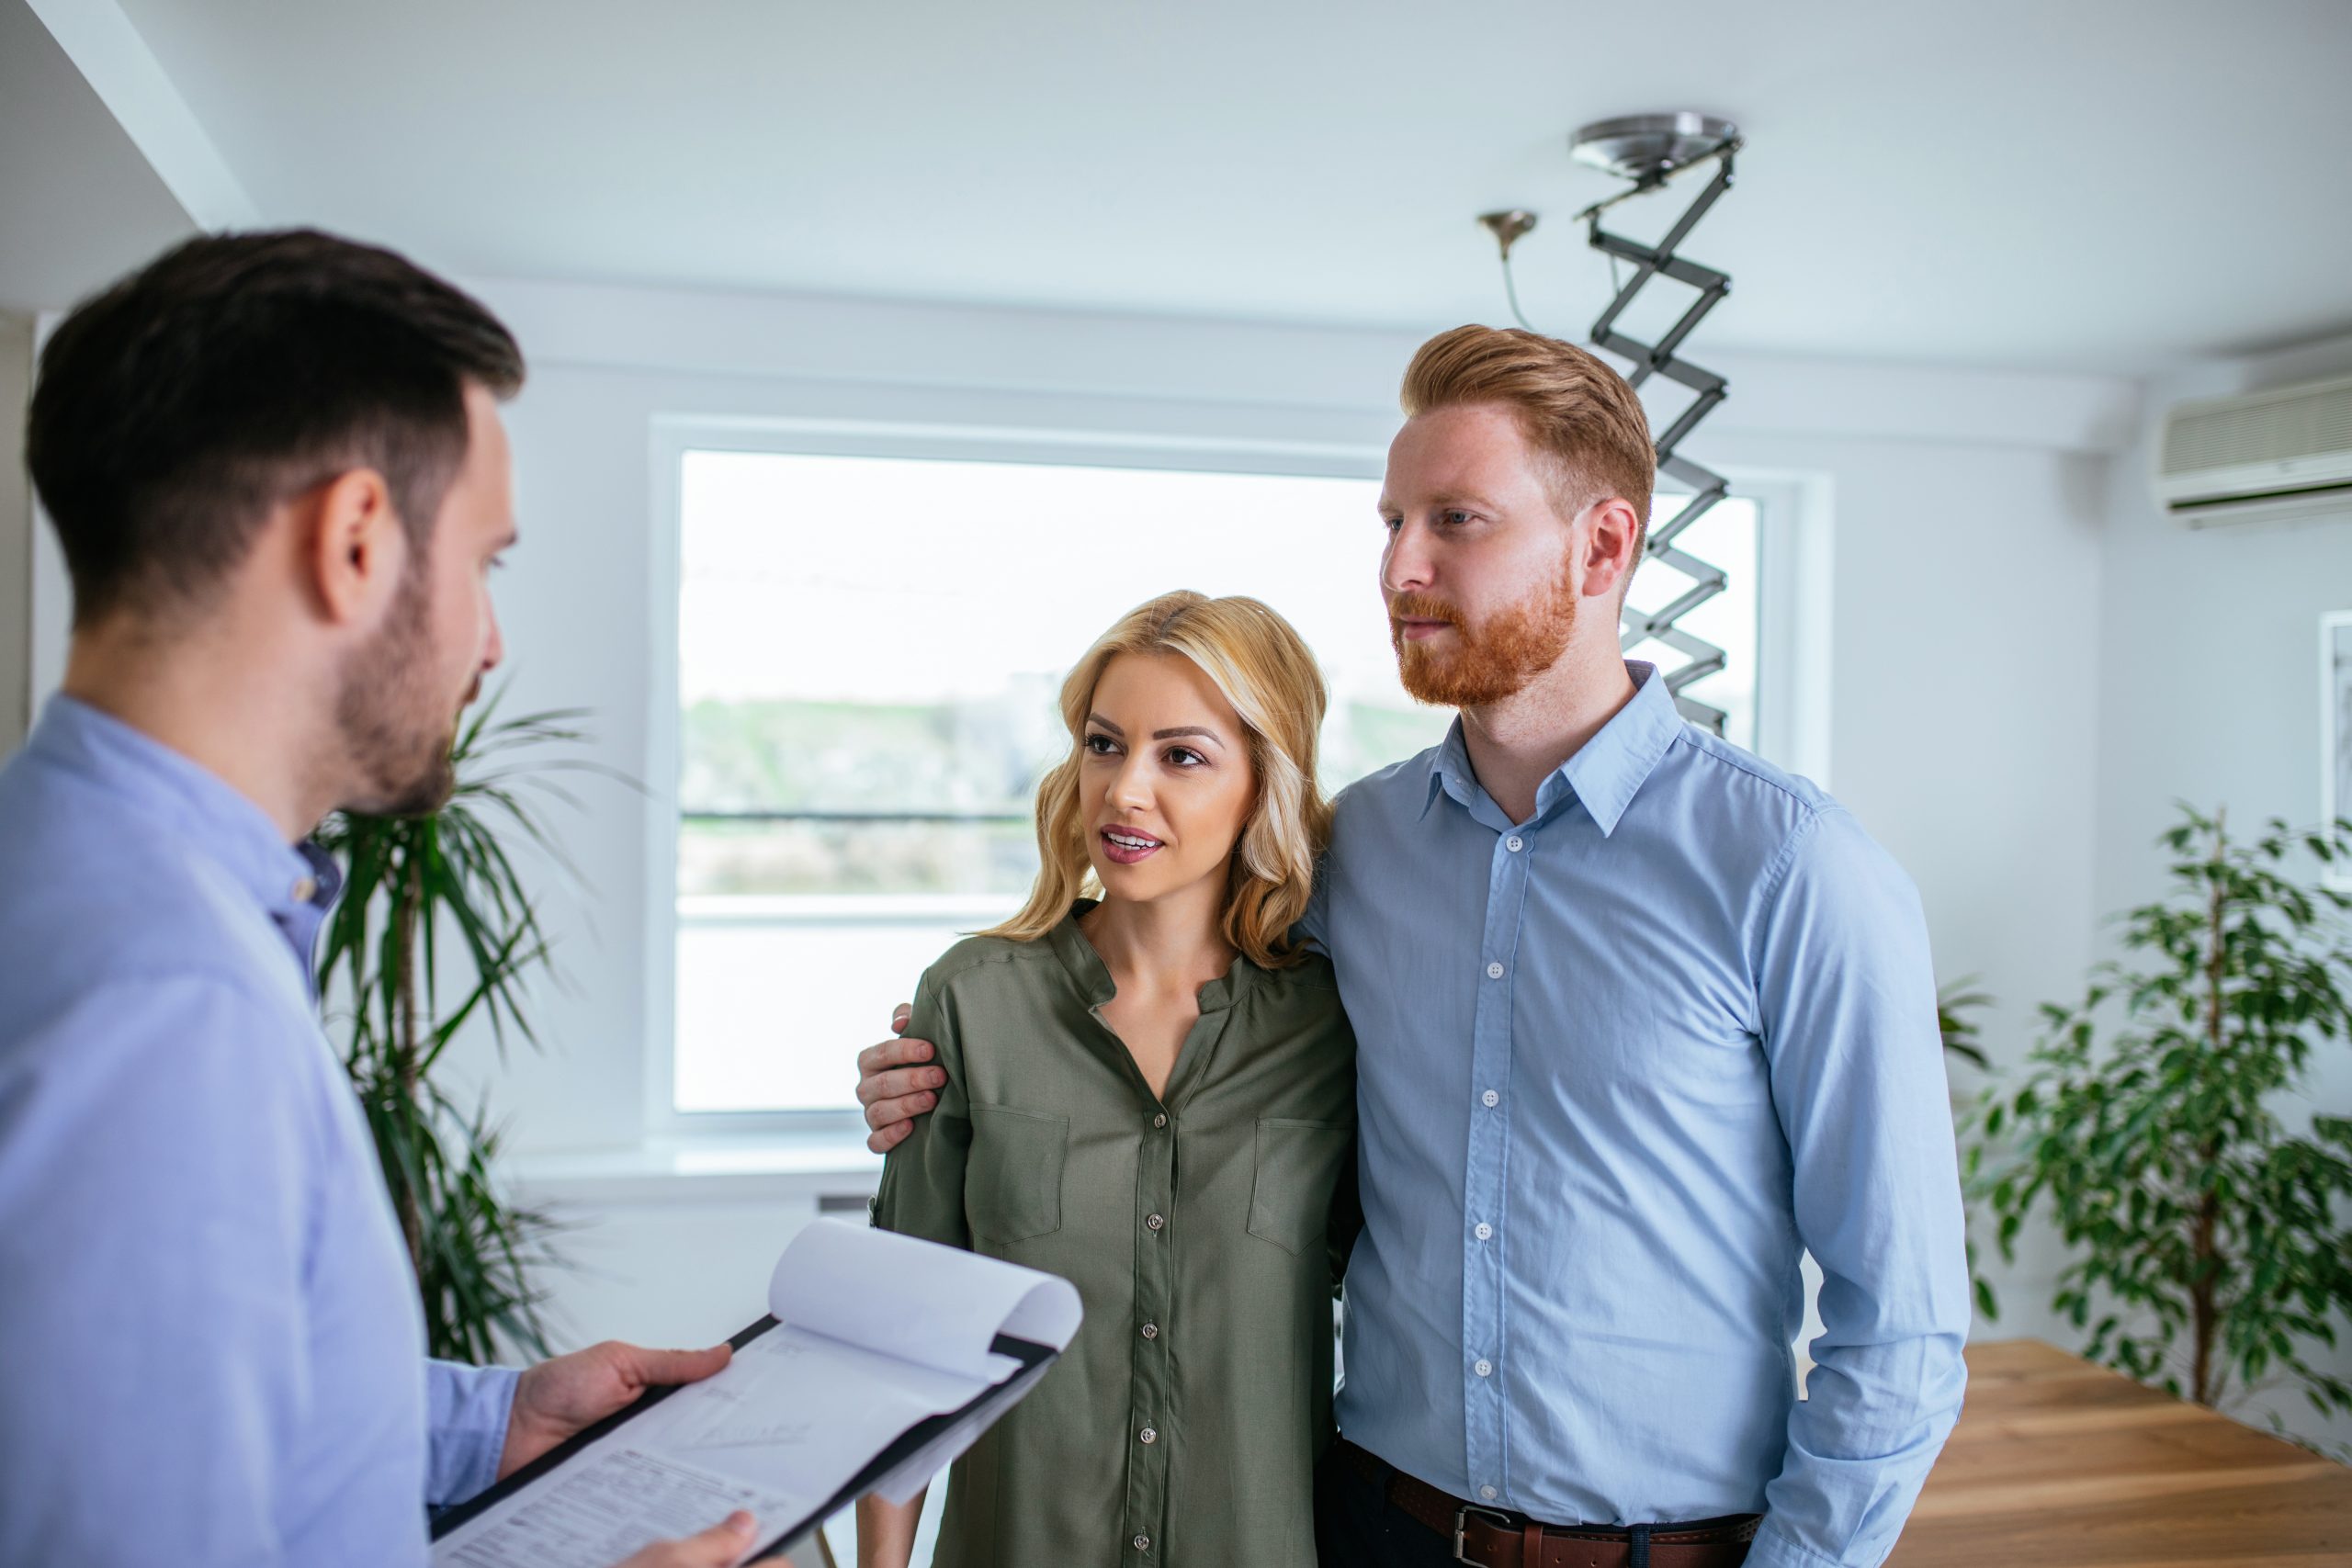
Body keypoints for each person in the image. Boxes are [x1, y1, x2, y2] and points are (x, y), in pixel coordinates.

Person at [857, 327, 1971, 1568]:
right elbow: (1152, 984)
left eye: (1456, 520)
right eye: (1391, 521)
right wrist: (932, 1066)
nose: (1401, 565)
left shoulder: (1794, 868)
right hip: (1369, 1527)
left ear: (1603, 544)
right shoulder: (1353, 852)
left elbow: (1903, 1328)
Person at [0, 231, 763, 1568]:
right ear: (355, 540)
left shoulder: (69, 875)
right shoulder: (170, 1006)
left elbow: (183, 1400)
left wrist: (489, 1422)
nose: (490, 639)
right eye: (487, 563)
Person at [855, 592, 1356, 1568]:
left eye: (1181, 755)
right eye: (1102, 744)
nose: (1125, 791)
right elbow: (902, 1334)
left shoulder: (1332, 1027)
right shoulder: (972, 1002)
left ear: (1262, 783)